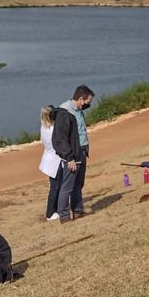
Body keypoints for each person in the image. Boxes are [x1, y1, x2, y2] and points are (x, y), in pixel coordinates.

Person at [52, 85, 94, 223]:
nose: (90, 104)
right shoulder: (65, 112)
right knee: (67, 186)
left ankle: (77, 210)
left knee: (78, 184)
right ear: (81, 99)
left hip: (81, 151)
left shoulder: (79, 110)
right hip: (72, 156)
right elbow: (60, 139)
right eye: (89, 101)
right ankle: (64, 215)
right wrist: (69, 158)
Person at [39, 105, 62, 222]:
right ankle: (50, 213)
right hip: (54, 161)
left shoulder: (44, 127)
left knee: (56, 186)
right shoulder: (53, 129)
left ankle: (55, 209)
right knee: (55, 187)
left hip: (49, 159)